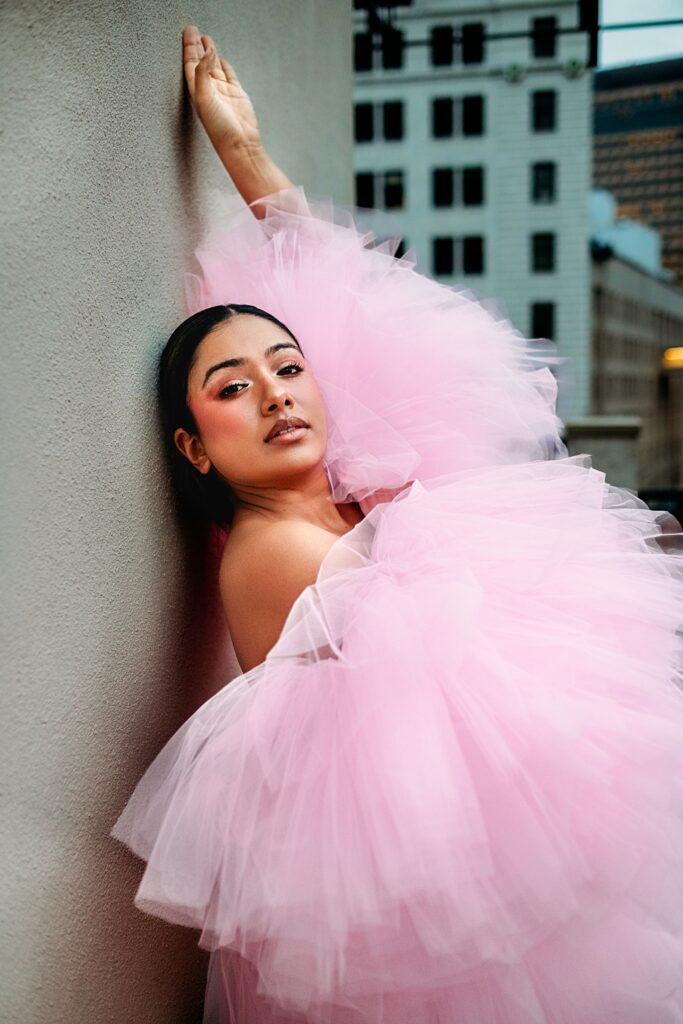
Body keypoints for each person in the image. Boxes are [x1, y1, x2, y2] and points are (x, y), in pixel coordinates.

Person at [112, 24, 683, 1024]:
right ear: (194, 447)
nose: (277, 394)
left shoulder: (337, 483)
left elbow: (347, 295)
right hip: (428, 915)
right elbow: (442, 720)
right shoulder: (275, 549)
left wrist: (240, 150)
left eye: (289, 371)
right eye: (232, 389)